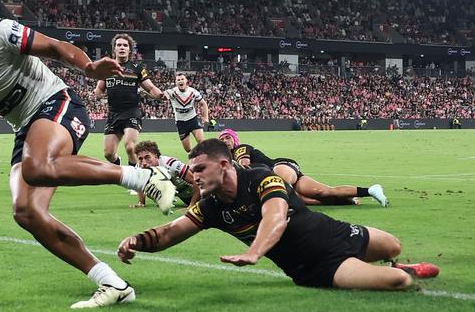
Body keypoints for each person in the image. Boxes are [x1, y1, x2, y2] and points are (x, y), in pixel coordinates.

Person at [0, 0, 177, 309]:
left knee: (36, 167)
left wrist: (88, 68)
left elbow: (56, 47)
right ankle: (112, 283)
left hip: (55, 101)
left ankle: (145, 176)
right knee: (26, 212)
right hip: (25, 127)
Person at [118, 139, 439, 293]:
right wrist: (136, 241)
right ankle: (395, 272)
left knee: (393, 246)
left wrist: (254, 251)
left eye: (201, 169)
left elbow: (275, 216)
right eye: (194, 170)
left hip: (336, 232)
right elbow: (170, 232)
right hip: (316, 266)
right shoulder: (211, 208)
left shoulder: (260, 177)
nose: (195, 176)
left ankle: (395, 262)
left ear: (225, 165)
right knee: (399, 282)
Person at [218, 129, 388, 206]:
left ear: (235, 140)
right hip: (285, 171)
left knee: (284, 190)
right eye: (222, 139)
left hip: (280, 166)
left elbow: (244, 165)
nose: (225, 141)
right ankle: (369, 191)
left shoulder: (240, 149)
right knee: (322, 193)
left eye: (228, 137)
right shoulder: (228, 160)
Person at [94, 34, 164, 169]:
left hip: (132, 112)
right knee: (108, 154)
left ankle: (133, 173)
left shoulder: (137, 68)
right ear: (114, 49)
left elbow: (150, 87)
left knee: (130, 147)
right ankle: (118, 163)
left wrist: (160, 94)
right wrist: (96, 94)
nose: (122, 47)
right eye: (119, 45)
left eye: (125, 45)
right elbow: (99, 89)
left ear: (130, 50)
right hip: (113, 114)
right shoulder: (107, 68)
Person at [132, 140, 201, 213]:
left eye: (147, 157)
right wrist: (141, 203)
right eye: (140, 159)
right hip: (186, 198)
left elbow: (197, 181)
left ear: (155, 155)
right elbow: (139, 184)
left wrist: (191, 206)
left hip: (204, 195)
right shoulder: (139, 167)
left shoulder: (171, 164)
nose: (144, 163)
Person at [164, 73, 209, 152]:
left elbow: (203, 103)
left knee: (201, 141)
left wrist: (205, 117)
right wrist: (161, 96)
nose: (180, 81)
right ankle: (194, 154)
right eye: (178, 80)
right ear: (176, 82)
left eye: (182, 79)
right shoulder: (172, 92)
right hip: (181, 123)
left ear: (186, 81)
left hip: (193, 120)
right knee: (187, 149)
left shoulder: (193, 92)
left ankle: (203, 158)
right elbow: (163, 94)